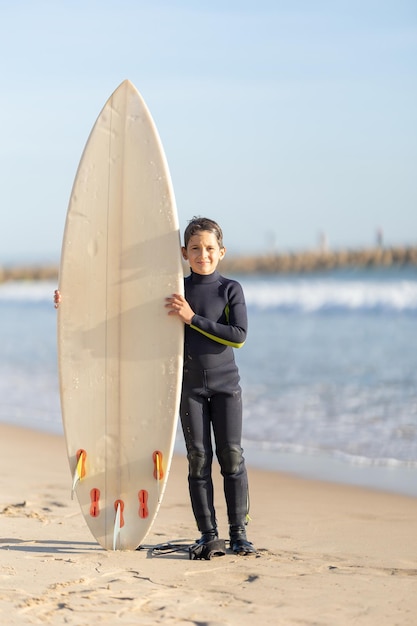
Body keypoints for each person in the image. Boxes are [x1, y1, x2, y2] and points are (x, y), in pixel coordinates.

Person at [165, 217, 256, 556]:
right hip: (189, 388)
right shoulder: (177, 292)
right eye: (195, 248)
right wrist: (68, 301)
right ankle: (207, 533)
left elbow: (239, 337)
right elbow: (126, 314)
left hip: (226, 387)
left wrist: (192, 319)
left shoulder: (229, 289)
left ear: (221, 252)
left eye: (209, 248)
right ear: (184, 253)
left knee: (231, 457)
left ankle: (239, 533)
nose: (202, 254)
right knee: (198, 459)